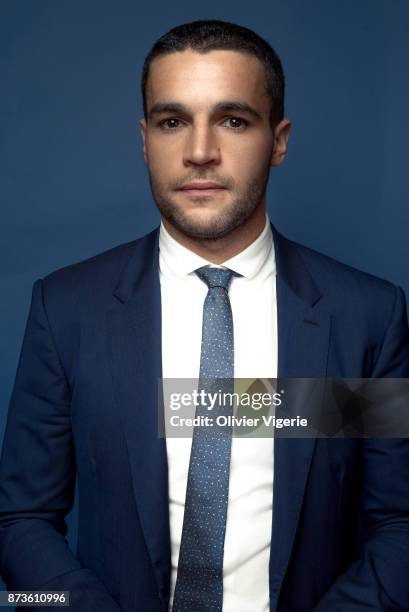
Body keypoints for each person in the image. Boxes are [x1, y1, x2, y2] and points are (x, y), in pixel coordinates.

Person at [0, 19, 408, 612]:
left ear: (280, 139)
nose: (199, 152)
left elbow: (399, 523)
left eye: (233, 120)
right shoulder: (65, 309)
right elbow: (19, 521)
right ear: (145, 139)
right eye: (172, 122)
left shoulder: (366, 317)